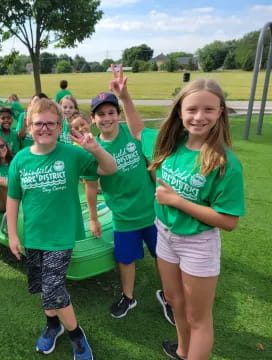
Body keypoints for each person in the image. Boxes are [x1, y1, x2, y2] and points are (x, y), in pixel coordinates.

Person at [110, 65, 245, 359]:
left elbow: (229, 221)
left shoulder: (224, 162)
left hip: (198, 243)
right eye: (192, 109)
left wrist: (178, 201)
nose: (199, 116)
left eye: (209, 109)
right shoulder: (169, 145)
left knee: (199, 319)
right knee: (174, 301)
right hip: (166, 234)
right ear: (180, 112)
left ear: (220, 112)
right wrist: (125, 97)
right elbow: (136, 130)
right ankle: (183, 351)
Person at [7, 98, 117, 360]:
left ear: (60, 128)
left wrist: (95, 148)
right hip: (33, 234)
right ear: (29, 126)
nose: (44, 128)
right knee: (42, 285)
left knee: (53, 287)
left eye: (51, 123)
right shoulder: (20, 160)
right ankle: (53, 325)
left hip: (62, 235)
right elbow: (13, 198)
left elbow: (110, 168)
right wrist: (12, 234)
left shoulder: (72, 153)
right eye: (38, 123)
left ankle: (77, 335)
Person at [83, 90, 174, 324]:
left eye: (111, 112)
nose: (106, 118)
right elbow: (91, 187)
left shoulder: (131, 134)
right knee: (126, 259)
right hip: (123, 216)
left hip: (151, 210)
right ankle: (128, 296)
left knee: (162, 255)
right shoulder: (92, 148)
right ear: (93, 119)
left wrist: (159, 191)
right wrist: (93, 218)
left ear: (118, 115)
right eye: (101, 114)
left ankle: (168, 295)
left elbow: (150, 162)